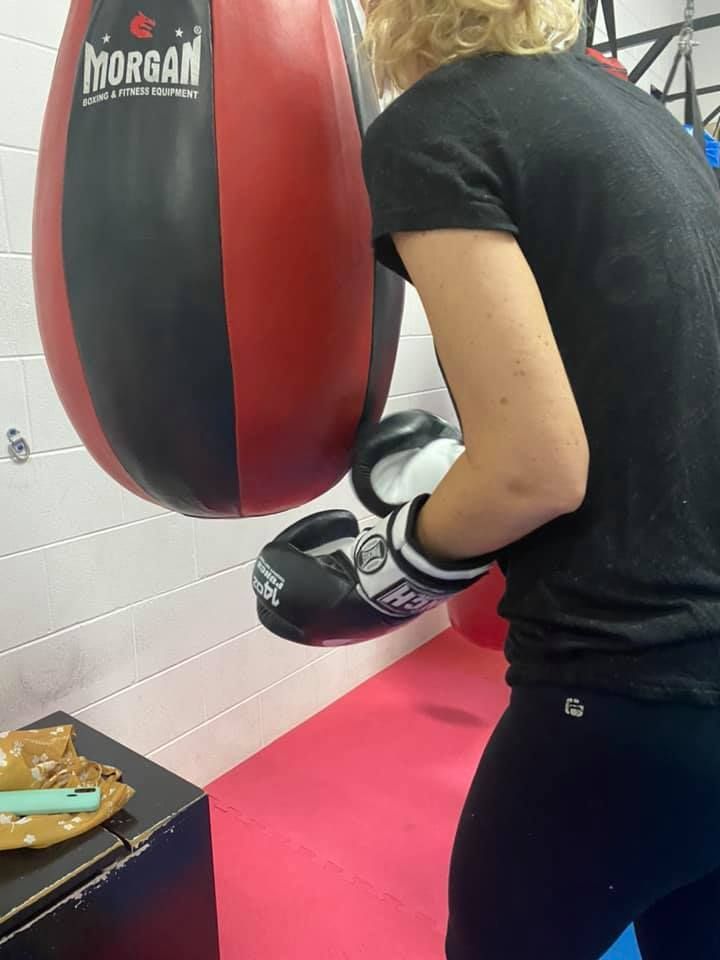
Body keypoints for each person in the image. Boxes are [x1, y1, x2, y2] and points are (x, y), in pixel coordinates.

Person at [254, 0, 720, 956]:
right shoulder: (644, 120)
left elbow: (533, 467)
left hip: (626, 692)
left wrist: (382, 569)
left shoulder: (434, 124)